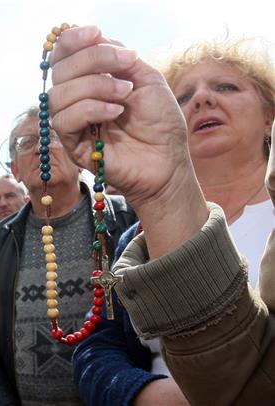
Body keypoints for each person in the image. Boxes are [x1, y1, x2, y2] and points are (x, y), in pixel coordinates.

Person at [44, 25, 274, 405]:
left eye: (226, 87)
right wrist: (142, 394)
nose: (201, 99)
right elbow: (96, 351)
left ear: (270, 115)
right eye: (182, 96)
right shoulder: (137, 234)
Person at [0, 106, 136, 404]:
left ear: (80, 156)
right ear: (15, 169)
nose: (40, 147)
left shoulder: (127, 219)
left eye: (52, 137)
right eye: (27, 143)